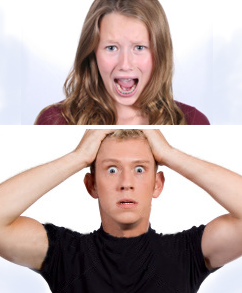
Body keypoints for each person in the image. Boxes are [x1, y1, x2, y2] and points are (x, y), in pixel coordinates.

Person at [0, 129, 241, 293]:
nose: (126, 183)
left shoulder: (186, 253)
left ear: (157, 184)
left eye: (139, 169)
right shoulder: (64, 253)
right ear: (91, 184)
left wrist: (170, 154)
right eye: (112, 170)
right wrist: (78, 157)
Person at [35, 0, 210, 125]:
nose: (125, 64)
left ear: (160, 53)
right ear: (92, 53)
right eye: (111, 48)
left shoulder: (192, 122)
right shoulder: (54, 121)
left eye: (139, 47)